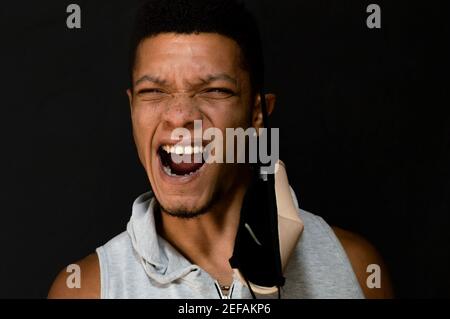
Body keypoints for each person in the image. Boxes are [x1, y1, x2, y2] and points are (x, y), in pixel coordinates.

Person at [48, 0, 393, 299]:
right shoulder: (87, 289)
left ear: (257, 113)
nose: (179, 116)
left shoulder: (356, 269)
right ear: (131, 109)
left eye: (214, 90)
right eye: (153, 92)